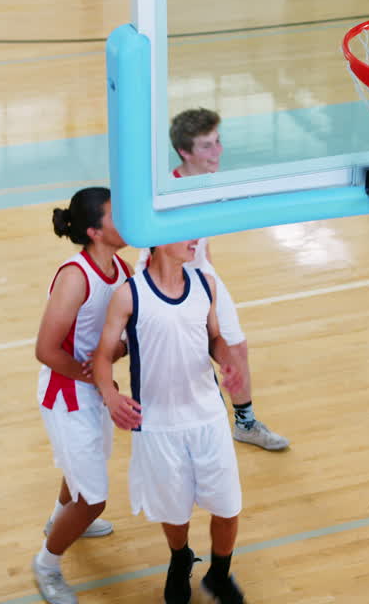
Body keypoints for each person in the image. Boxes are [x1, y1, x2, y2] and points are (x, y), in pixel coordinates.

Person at [92, 239, 248, 604]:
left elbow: (214, 338)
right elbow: (102, 356)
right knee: (174, 513)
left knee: (227, 508)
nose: (197, 241)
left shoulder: (204, 284)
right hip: (158, 425)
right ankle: (180, 560)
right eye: (187, 235)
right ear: (159, 242)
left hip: (208, 418)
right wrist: (111, 397)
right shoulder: (129, 295)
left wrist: (227, 361)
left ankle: (219, 575)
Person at [134, 107, 288, 451]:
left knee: (236, 349)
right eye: (206, 146)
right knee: (163, 354)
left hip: (203, 274)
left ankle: (245, 424)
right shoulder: (166, 195)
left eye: (217, 142)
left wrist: (210, 274)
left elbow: (203, 241)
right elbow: (149, 254)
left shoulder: (210, 182)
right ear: (184, 152)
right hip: (165, 279)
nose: (217, 152)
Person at [32, 187, 131, 604]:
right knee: (93, 500)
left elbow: (117, 340)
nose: (126, 218)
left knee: (83, 470)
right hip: (66, 393)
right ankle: (47, 565)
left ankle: (59, 520)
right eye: (115, 214)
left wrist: (113, 358)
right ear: (94, 231)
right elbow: (46, 350)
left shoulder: (121, 268)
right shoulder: (75, 276)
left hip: (93, 388)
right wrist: (95, 377)